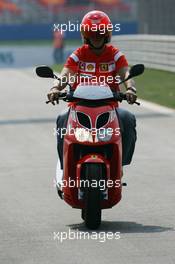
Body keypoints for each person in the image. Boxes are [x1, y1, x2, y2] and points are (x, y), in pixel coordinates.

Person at [47, 10, 137, 179]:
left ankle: (120, 164)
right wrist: (56, 89)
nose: (96, 36)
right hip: (78, 107)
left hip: (109, 108)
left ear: (107, 34)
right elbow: (65, 74)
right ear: (85, 35)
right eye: (92, 33)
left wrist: (131, 88)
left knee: (128, 118)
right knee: (61, 120)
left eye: (100, 33)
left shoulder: (115, 54)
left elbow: (126, 74)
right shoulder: (79, 54)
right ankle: (65, 167)